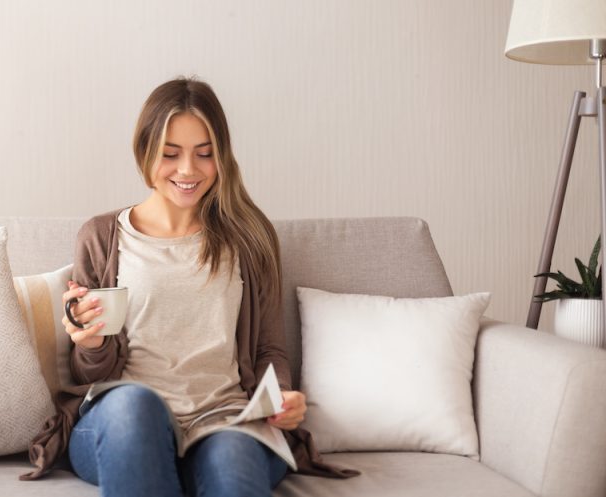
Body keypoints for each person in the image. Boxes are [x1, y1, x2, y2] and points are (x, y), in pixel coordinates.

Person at [19, 76, 359, 495]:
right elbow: (94, 374)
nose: (187, 170)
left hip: (226, 420)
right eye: (170, 153)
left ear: (222, 157)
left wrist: (282, 397)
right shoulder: (103, 236)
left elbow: (270, 349)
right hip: (125, 424)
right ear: (144, 153)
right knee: (134, 404)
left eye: (204, 154)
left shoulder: (249, 239)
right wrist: (91, 344)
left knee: (233, 459)